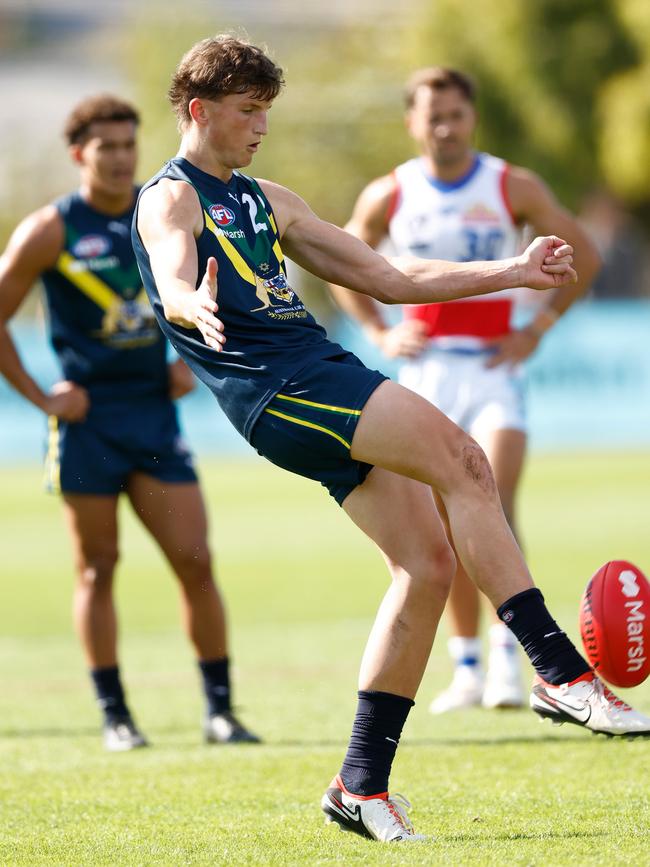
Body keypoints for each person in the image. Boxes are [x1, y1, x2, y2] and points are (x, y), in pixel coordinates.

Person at [132, 36, 650, 844]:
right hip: (284, 387)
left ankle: (360, 785)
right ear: (199, 111)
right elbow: (170, 268)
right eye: (246, 111)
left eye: (266, 110)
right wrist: (185, 302)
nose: (261, 125)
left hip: (316, 372)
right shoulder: (172, 198)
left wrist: (513, 271)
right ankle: (557, 668)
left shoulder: (268, 197)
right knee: (465, 461)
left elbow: (389, 278)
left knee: (428, 564)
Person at [329, 67, 602, 714]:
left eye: (455, 113)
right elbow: (342, 258)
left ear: (471, 117)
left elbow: (583, 253)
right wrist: (376, 329)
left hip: (493, 370)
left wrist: (538, 326)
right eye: (433, 115)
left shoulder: (510, 184)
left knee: (493, 500)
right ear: (412, 122)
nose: (445, 127)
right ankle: (468, 666)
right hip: (425, 374)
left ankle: (515, 662)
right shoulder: (390, 193)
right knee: (442, 518)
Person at [0, 94, 259, 751]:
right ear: (78, 154)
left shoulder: (164, 208)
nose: (120, 159)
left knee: (196, 560)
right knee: (98, 568)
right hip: (88, 424)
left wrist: (190, 364)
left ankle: (221, 712)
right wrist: (42, 397)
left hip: (153, 419)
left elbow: (208, 290)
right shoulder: (52, 228)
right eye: (105, 147)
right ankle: (116, 716)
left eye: (127, 145)